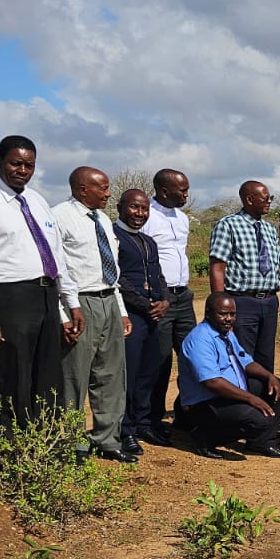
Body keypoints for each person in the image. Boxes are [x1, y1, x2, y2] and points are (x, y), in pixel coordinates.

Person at [0, 135, 81, 434]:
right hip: (11, 299)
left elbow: (55, 255)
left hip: (46, 296)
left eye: (29, 165)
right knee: (14, 379)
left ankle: (46, 450)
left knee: (48, 377)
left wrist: (70, 301)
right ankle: (15, 457)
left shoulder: (37, 201)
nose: (22, 170)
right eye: (16, 163)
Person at [50, 166, 133, 462]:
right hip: (79, 303)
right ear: (82, 189)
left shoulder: (103, 219)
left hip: (108, 299)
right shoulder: (59, 217)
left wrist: (120, 309)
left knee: (110, 375)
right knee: (74, 377)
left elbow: (111, 268)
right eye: (103, 188)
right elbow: (55, 269)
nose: (109, 193)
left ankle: (107, 440)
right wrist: (63, 314)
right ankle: (72, 444)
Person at [177, 292, 280, 459]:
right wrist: (251, 399)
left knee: (276, 386)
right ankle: (204, 437)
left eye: (232, 314)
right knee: (259, 421)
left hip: (230, 394)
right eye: (223, 314)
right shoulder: (200, 339)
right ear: (208, 313)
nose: (229, 318)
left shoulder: (227, 333)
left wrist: (269, 377)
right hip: (206, 402)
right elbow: (212, 382)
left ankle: (261, 442)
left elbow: (246, 362)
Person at [209, 181, 280, 394]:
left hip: (268, 302)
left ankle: (265, 410)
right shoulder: (228, 225)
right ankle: (244, 408)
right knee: (242, 357)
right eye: (265, 198)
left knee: (266, 358)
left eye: (270, 197)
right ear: (249, 199)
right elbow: (217, 267)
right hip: (242, 302)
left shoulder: (269, 229)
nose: (269, 202)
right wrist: (220, 308)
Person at [139, 168, 195, 446]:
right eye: (182, 190)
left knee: (192, 356)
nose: (187, 194)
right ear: (163, 191)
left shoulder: (182, 218)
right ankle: (151, 420)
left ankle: (188, 412)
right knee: (159, 361)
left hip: (183, 296)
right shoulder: (147, 216)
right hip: (160, 299)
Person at [112, 189, 169, 457]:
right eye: (134, 208)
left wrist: (165, 300)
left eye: (144, 209)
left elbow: (158, 275)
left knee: (150, 371)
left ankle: (144, 423)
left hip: (154, 315)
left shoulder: (148, 241)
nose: (140, 214)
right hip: (132, 315)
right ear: (120, 207)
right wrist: (145, 305)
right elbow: (117, 279)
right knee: (129, 374)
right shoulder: (114, 237)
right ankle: (125, 431)